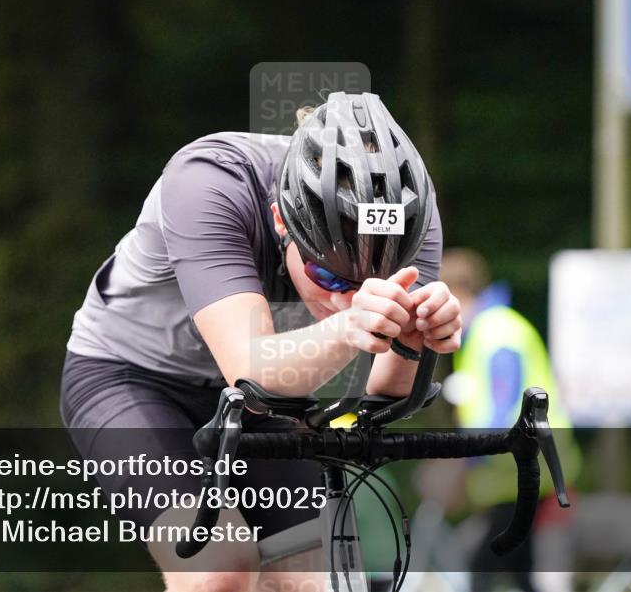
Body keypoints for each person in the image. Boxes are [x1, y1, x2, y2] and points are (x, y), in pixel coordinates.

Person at [61, 92, 462, 592]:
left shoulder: (408, 211)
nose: (346, 299)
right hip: (131, 378)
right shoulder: (207, 181)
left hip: (269, 395)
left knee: (312, 580)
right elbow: (251, 371)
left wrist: (414, 340)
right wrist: (353, 323)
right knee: (218, 568)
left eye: (369, 283)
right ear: (280, 222)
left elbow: (381, 393)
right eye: (331, 277)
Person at [439, 248, 578, 592]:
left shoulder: (495, 333)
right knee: (519, 570)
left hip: (521, 475)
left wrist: (465, 464)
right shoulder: (493, 330)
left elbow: (504, 413)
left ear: (456, 294)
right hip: (525, 474)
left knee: (482, 567)